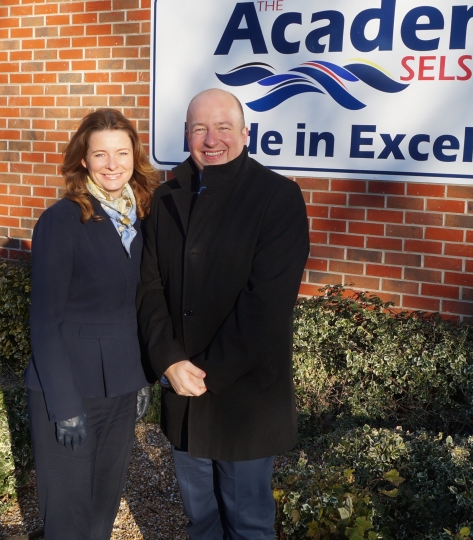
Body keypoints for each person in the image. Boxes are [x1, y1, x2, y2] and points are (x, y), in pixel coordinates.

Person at [137, 88, 310, 539]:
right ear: (186, 135)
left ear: (246, 134)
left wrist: (204, 374)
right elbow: (149, 287)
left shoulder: (277, 197)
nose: (211, 139)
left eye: (223, 128)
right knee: (201, 522)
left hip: (244, 397)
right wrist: (169, 362)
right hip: (183, 390)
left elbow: (266, 304)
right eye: (199, 129)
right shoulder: (167, 197)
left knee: (248, 523)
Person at [26, 108, 158, 540]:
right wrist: (64, 406)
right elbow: (45, 322)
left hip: (120, 387)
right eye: (100, 154)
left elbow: (136, 306)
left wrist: (142, 378)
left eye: (122, 153)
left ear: (134, 156)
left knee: (103, 508)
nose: (112, 164)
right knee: (67, 517)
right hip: (69, 389)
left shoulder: (138, 219)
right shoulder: (61, 221)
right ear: (83, 159)